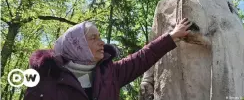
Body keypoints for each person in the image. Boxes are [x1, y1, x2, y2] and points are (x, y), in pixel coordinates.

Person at [24, 18, 192, 100]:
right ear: (77, 44)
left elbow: (142, 57)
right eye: (93, 38)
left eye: (100, 37)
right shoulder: (46, 78)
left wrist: (171, 36)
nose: (101, 42)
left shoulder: (110, 73)